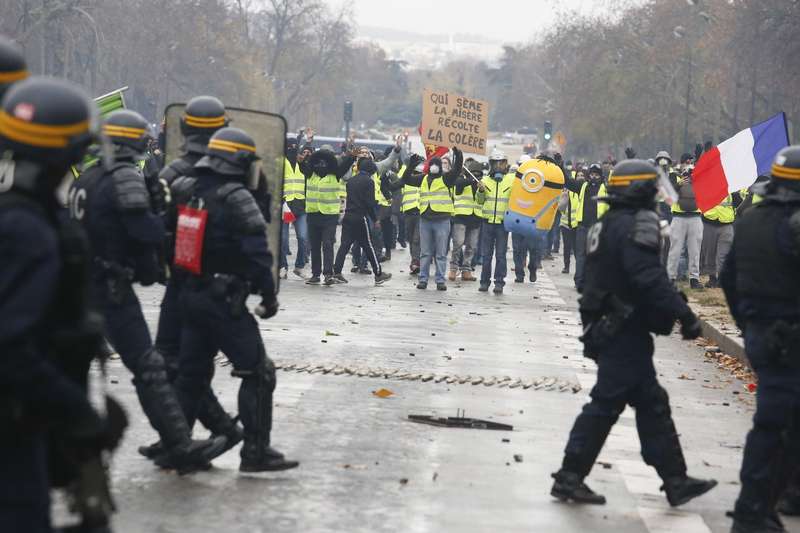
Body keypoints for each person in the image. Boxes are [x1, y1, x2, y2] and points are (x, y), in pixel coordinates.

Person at [0, 69, 128, 533]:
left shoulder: (26, 214)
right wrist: (75, 412)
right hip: (13, 423)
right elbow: (10, 346)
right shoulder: (30, 230)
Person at [551, 159, 716, 507]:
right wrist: (684, 315)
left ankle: (675, 480)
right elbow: (648, 277)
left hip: (610, 326)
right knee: (606, 404)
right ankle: (570, 475)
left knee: (652, 402)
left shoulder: (608, 222)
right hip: (622, 329)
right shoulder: (637, 224)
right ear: (640, 190)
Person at [70, 108, 227, 472]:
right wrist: (163, 214)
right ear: (135, 141)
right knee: (149, 366)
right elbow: (145, 232)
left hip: (81, 286)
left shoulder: (88, 178)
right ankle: (181, 445)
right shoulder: (124, 176)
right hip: (109, 288)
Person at [173, 127, 299, 472]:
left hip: (190, 295)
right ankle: (255, 453)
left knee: (191, 375)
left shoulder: (185, 188)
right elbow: (258, 253)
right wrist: (269, 295)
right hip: (223, 300)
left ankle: (176, 447)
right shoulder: (236, 197)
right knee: (258, 372)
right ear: (238, 162)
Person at [142, 96, 244, 462]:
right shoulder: (235, 174)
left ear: (183, 129)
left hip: (182, 280)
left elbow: (152, 226)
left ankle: (190, 435)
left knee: (176, 364)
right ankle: (186, 435)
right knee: (187, 365)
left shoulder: (171, 173)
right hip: (216, 282)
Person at [720, 146, 800, 533]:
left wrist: (747, 323)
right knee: (776, 425)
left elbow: (728, 277)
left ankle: (771, 500)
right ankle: (752, 507)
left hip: (761, 335)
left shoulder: (750, 220)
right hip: (790, 340)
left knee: (785, 424)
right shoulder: (795, 225)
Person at [403, 147, 463, 290]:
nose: (434, 166)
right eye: (432, 164)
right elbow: (406, 179)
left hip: (442, 221)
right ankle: (423, 279)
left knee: (441, 254)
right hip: (425, 221)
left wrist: (458, 156)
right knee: (425, 253)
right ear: (428, 167)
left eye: (437, 164)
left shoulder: (446, 179)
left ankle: (440, 281)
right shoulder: (422, 179)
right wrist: (411, 165)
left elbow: (456, 170)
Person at [332, 157, 392, 285]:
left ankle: (336, 272)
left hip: (348, 216)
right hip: (360, 218)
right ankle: (378, 274)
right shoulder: (369, 182)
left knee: (344, 245)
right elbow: (369, 204)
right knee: (368, 245)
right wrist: (375, 219)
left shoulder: (351, 181)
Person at [304, 146, 354, 285]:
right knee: (314, 246)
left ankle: (328, 274)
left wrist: (351, 156)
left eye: (324, 163)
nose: (321, 166)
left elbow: (345, 165)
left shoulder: (335, 175)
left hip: (329, 215)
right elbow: (300, 163)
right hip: (313, 214)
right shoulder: (310, 174)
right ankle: (315, 275)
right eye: (318, 163)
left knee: (327, 244)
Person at [563, 162, 607, 292]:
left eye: (596, 175)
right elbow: (568, 182)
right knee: (580, 255)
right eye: (592, 174)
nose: (594, 177)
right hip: (583, 227)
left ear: (600, 176)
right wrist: (560, 166)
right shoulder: (583, 186)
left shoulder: (606, 189)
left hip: (598, 229)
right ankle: (579, 281)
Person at [477, 149, 515, 293]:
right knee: (486, 255)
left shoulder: (511, 180)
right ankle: (484, 282)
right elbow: (479, 201)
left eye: (501, 163)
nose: (498, 166)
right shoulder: (485, 180)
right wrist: (480, 191)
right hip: (487, 223)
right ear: (491, 164)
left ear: (506, 164)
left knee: (500, 255)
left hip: (502, 225)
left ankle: (499, 282)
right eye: (495, 163)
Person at [448, 159, 483, 282]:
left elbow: (482, 200)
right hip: (461, 216)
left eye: (479, 174)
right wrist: (472, 180)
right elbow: (458, 185)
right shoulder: (460, 180)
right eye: (474, 173)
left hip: (475, 217)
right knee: (458, 243)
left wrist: (482, 189)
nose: (477, 176)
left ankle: (466, 270)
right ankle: (453, 268)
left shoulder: (482, 183)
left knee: (471, 246)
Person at [281, 138, 309, 279]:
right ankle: (282, 266)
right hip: (285, 206)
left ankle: (299, 266)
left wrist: (308, 144)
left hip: (300, 206)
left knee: (303, 238)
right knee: (283, 240)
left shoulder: (301, 164)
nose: (293, 151)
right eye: (290, 148)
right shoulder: (280, 162)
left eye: (295, 148)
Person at [700, 194, 735, 288]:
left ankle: (721, 279)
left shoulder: (732, 187)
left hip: (727, 224)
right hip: (708, 223)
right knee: (709, 253)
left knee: (723, 254)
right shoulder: (706, 187)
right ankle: (712, 279)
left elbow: (739, 202)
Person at [558, 171, 581, 274]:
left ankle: (579, 269)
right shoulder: (568, 190)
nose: (580, 177)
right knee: (567, 247)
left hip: (577, 224)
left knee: (577, 249)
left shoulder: (584, 190)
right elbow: (561, 207)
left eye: (582, 175)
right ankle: (566, 266)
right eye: (578, 176)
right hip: (565, 223)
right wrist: (564, 196)